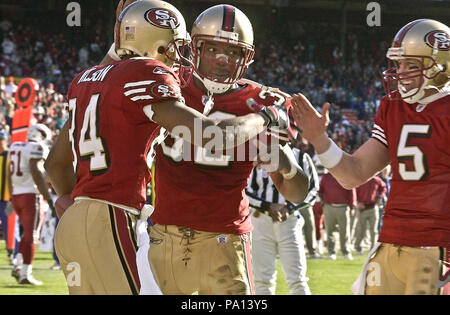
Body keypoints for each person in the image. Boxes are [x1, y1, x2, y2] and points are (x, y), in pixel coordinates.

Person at [45, 0, 290, 295]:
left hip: (75, 223)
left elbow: (54, 163)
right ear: (157, 46)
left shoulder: (86, 79)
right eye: (173, 46)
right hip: (111, 215)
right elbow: (213, 137)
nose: (178, 55)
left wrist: (73, 203)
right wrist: (265, 116)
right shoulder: (146, 72)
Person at [148, 4, 309, 295]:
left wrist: (285, 163)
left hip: (226, 235)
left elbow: (296, 192)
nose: (223, 59)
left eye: (234, 52)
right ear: (195, 48)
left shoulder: (262, 99)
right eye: (213, 49)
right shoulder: (167, 83)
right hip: (166, 232)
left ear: (246, 57)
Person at [291, 19, 450, 294]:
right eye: (398, 65)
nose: (401, 73)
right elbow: (354, 173)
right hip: (389, 241)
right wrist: (319, 140)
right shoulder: (393, 107)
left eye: (412, 65)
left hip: (438, 248)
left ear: (441, 67)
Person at [246, 144, 316, 295]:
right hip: (260, 219)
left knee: (297, 279)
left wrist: (289, 207)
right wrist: (266, 206)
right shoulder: (254, 156)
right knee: (262, 279)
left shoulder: (301, 157)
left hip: (288, 220)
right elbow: (243, 189)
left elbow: (312, 189)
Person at [9, 124, 55, 285]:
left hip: (17, 195)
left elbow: (10, 172)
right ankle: (25, 274)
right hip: (31, 196)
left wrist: (11, 195)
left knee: (27, 234)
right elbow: (36, 173)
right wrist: (48, 197)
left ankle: (18, 265)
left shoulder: (15, 146)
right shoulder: (36, 147)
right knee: (32, 235)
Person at [318, 171, 356, 260]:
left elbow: (351, 192)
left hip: (343, 207)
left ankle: (346, 252)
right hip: (328, 207)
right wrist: (323, 202)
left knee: (344, 231)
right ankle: (331, 252)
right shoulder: (326, 177)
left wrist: (352, 207)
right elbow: (321, 190)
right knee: (329, 231)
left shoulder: (346, 176)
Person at [354, 175, 386, 255]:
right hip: (362, 208)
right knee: (361, 229)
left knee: (374, 230)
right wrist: (357, 202)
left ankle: (373, 249)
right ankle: (358, 248)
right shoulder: (360, 180)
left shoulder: (376, 180)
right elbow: (353, 191)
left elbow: (383, 188)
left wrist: (380, 197)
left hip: (373, 207)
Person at [0, 130, 18, 265]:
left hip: (7, 199)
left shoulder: (10, 156)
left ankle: (13, 254)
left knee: (10, 228)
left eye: (2, 139)